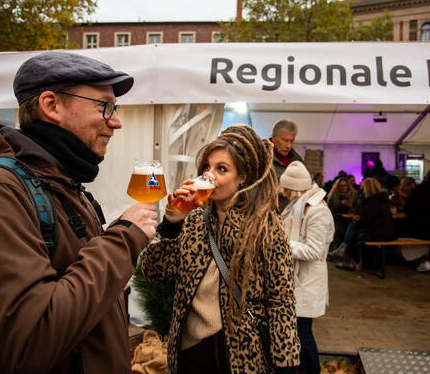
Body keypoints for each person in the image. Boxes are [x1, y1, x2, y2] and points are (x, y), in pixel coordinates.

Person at [0, 51, 158, 373]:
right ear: (51, 105)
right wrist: (124, 238)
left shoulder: (61, 184)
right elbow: (28, 342)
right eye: (104, 106)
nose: (116, 121)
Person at [142, 124, 300, 374]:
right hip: (189, 351)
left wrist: (285, 363)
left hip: (242, 356)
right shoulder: (193, 219)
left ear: (242, 178)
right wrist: (170, 223)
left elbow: (281, 300)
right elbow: (153, 273)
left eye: (221, 169)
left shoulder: (265, 226)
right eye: (207, 167)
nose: (209, 176)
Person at [279, 161, 333, 374]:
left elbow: (314, 251)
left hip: (308, 282)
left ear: (294, 187)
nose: (282, 192)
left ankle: (312, 371)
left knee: (303, 333)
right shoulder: (298, 205)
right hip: (296, 281)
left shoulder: (317, 211)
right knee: (298, 331)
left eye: (285, 188)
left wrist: (280, 244)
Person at [335, 178, 395, 271]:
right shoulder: (381, 199)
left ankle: (348, 256)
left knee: (354, 228)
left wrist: (359, 219)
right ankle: (345, 251)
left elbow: (366, 220)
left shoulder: (373, 201)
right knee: (354, 227)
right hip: (387, 231)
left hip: (381, 232)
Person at [270, 119, 304, 211]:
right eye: (285, 140)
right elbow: (247, 190)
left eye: (292, 141)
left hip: (291, 218)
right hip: (264, 219)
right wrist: (274, 191)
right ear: (273, 137)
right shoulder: (261, 158)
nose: (289, 145)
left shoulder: (298, 161)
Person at [326, 177, 359, 254]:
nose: (343, 187)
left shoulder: (353, 195)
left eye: (344, 185)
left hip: (350, 218)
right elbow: (330, 209)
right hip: (337, 218)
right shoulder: (333, 196)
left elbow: (357, 208)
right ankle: (335, 251)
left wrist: (351, 206)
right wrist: (340, 204)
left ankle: (345, 252)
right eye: (341, 186)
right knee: (339, 230)